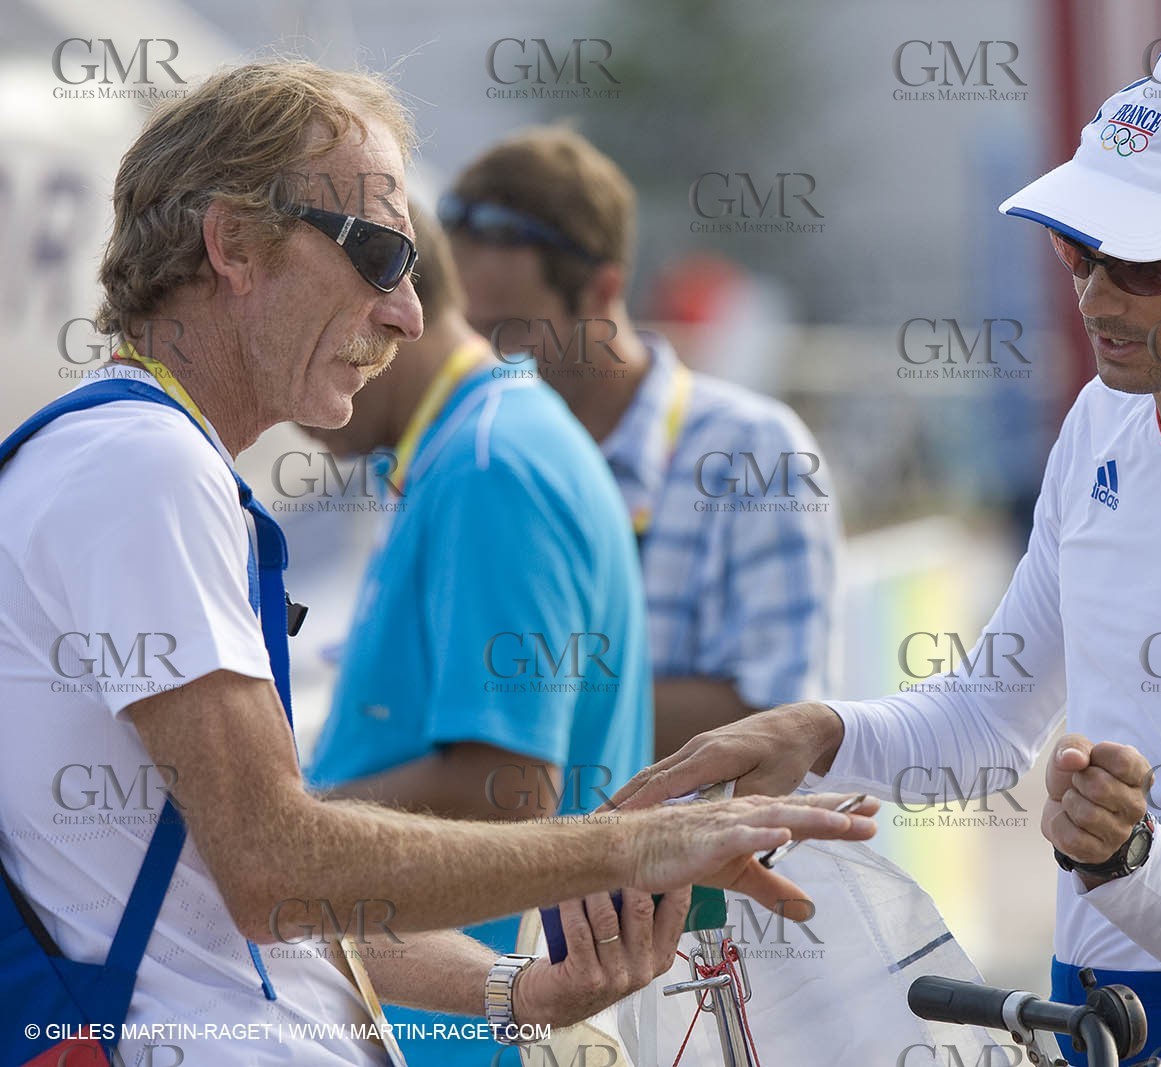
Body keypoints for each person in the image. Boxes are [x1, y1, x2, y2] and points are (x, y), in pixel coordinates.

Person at [0, 60, 875, 1067]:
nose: (409, 313)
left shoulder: (147, 459)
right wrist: (633, 844)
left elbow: (240, 885)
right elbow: (275, 866)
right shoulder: (143, 462)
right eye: (378, 255)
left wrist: (516, 986)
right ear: (233, 244)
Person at [615, 47, 1161, 1067]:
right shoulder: (1102, 418)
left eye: (1143, 263)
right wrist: (816, 731)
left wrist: (1122, 849)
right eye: (1074, 250)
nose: (1096, 298)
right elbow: (985, 720)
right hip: (1088, 1019)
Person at [298, 203, 653, 1067]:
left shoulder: (491, 466)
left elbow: (507, 784)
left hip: (473, 1023)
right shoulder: (471, 445)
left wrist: (278, 830)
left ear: (389, 298)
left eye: (290, 320)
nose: (281, 385)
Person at [440, 127, 842, 759]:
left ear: (603, 291)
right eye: (466, 334)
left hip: (704, 858)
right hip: (525, 855)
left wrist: (502, 706)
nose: (482, 360)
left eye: (506, 331)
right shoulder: (468, 450)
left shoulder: (756, 453)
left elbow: (780, 719)